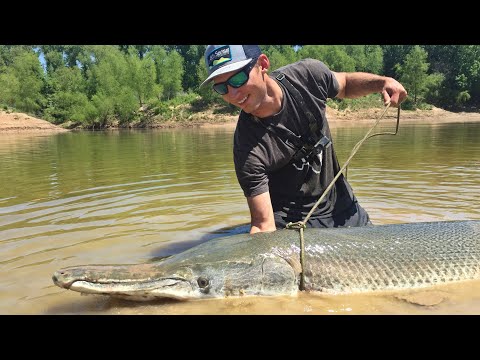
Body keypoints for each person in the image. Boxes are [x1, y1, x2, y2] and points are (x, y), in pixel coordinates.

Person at [200, 45, 407, 234]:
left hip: (343, 208)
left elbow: (344, 85)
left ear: (263, 64)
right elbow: (263, 225)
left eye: (237, 79)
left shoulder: (308, 76)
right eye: (222, 88)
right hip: (295, 229)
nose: (233, 94)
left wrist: (382, 82)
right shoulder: (247, 150)